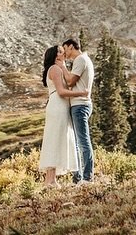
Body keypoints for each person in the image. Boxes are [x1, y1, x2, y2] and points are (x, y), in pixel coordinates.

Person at [38, 44, 86, 185]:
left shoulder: (58, 69)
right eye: (59, 51)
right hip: (58, 105)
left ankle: (51, 179)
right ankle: (50, 180)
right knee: (54, 139)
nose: (63, 52)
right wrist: (82, 93)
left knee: (56, 139)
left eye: (62, 50)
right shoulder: (55, 70)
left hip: (59, 106)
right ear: (54, 56)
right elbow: (62, 91)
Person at [60, 37, 95, 183]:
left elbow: (70, 81)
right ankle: (79, 176)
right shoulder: (84, 60)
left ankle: (87, 177)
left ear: (71, 46)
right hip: (81, 104)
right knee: (78, 140)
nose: (64, 53)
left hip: (80, 104)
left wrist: (62, 66)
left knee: (82, 141)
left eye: (65, 49)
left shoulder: (80, 60)